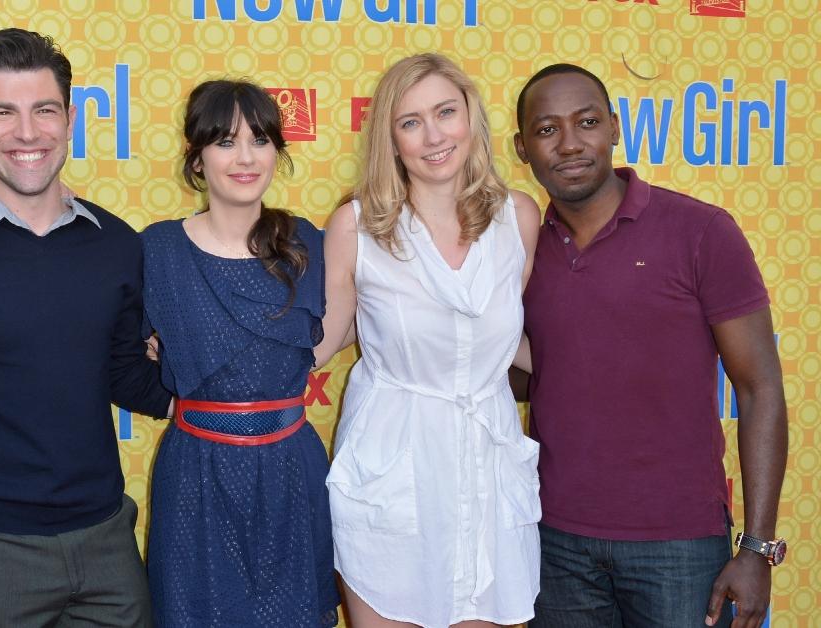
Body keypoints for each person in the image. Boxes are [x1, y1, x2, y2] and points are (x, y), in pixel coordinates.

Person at [0, 28, 172, 627]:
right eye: (3, 112)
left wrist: (212, 366)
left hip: (107, 540)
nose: (27, 133)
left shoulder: (118, 244)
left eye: (44, 110)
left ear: (70, 119)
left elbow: (128, 376)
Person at [513, 64, 788, 628]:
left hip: (679, 545)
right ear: (522, 148)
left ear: (615, 127)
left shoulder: (701, 231)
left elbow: (759, 388)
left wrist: (757, 549)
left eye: (586, 122)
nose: (568, 144)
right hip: (553, 539)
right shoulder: (518, 250)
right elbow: (534, 375)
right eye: (546, 130)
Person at [314, 53, 542, 627]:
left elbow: (512, 338)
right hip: (392, 458)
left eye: (446, 112)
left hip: (488, 464)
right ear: (390, 138)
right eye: (410, 121)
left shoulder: (519, 218)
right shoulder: (357, 225)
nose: (433, 135)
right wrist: (204, 350)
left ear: (472, 119)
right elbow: (325, 338)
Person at [141, 80, 339, 627]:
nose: (246, 157)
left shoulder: (312, 245)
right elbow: (120, 351)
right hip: (196, 471)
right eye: (225, 142)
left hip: (290, 468)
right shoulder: (155, 250)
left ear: (279, 150)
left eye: (260, 139)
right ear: (197, 158)